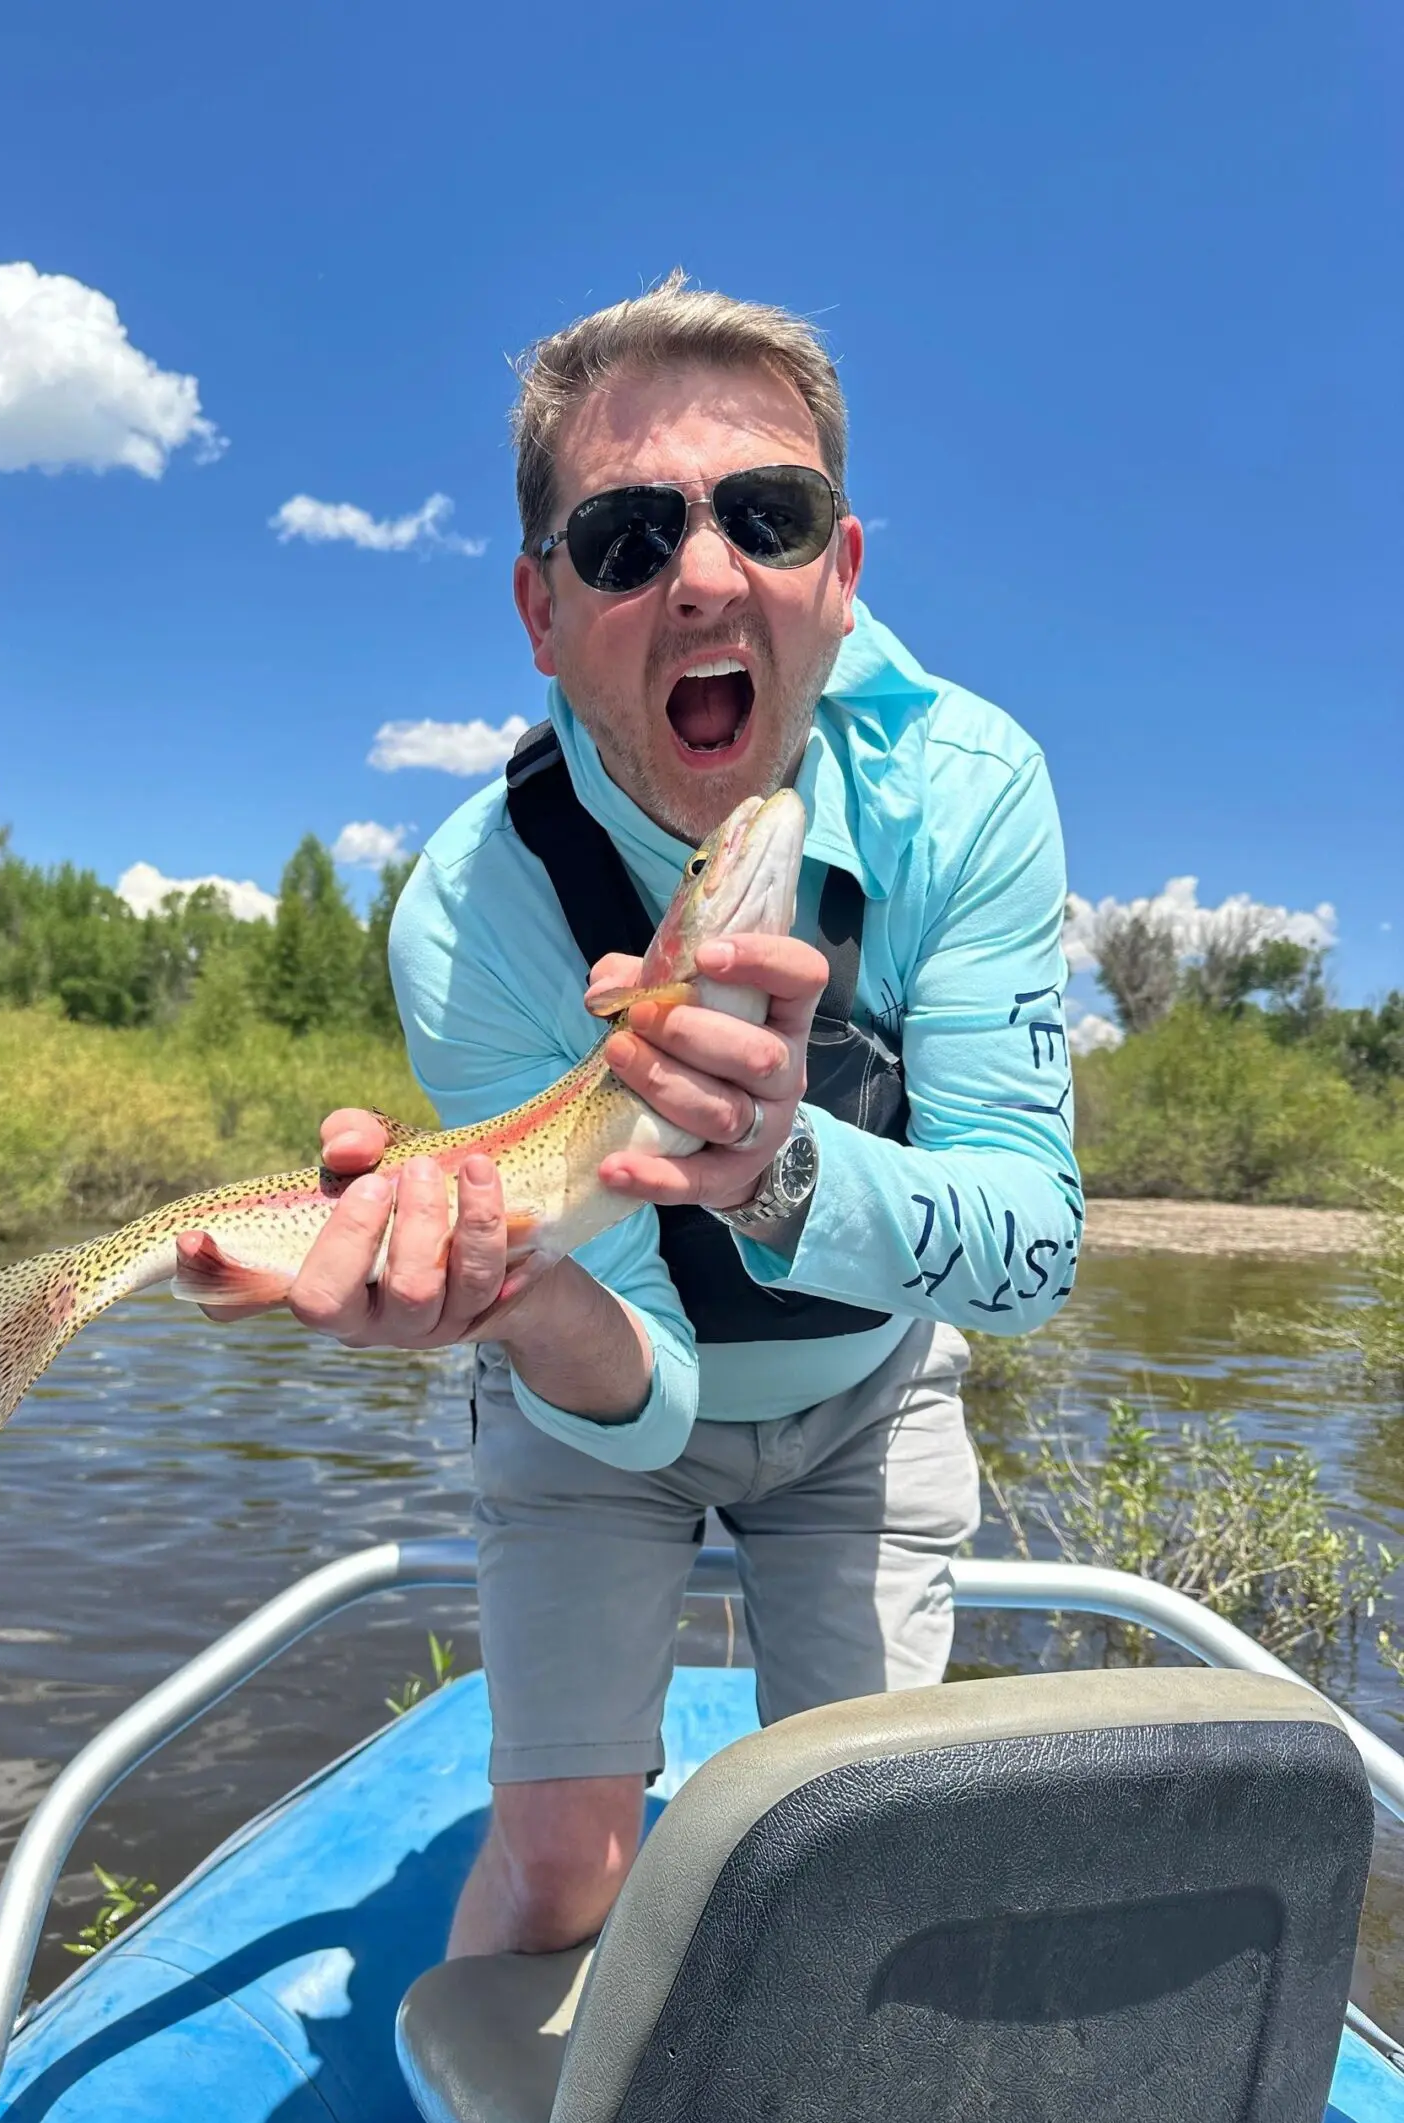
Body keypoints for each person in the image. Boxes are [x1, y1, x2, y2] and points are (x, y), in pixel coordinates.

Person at [263, 274, 1080, 1959]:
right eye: (628, 538)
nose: (705, 573)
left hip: (872, 1395)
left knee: (848, 1864)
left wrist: (780, 1171)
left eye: (767, 517)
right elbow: (636, 1368)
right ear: (541, 610)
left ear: (839, 579)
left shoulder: (974, 791)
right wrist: (524, 1297)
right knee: (564, 1870)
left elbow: (1036, 1250)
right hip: (595, 1404)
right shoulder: (473, 910)